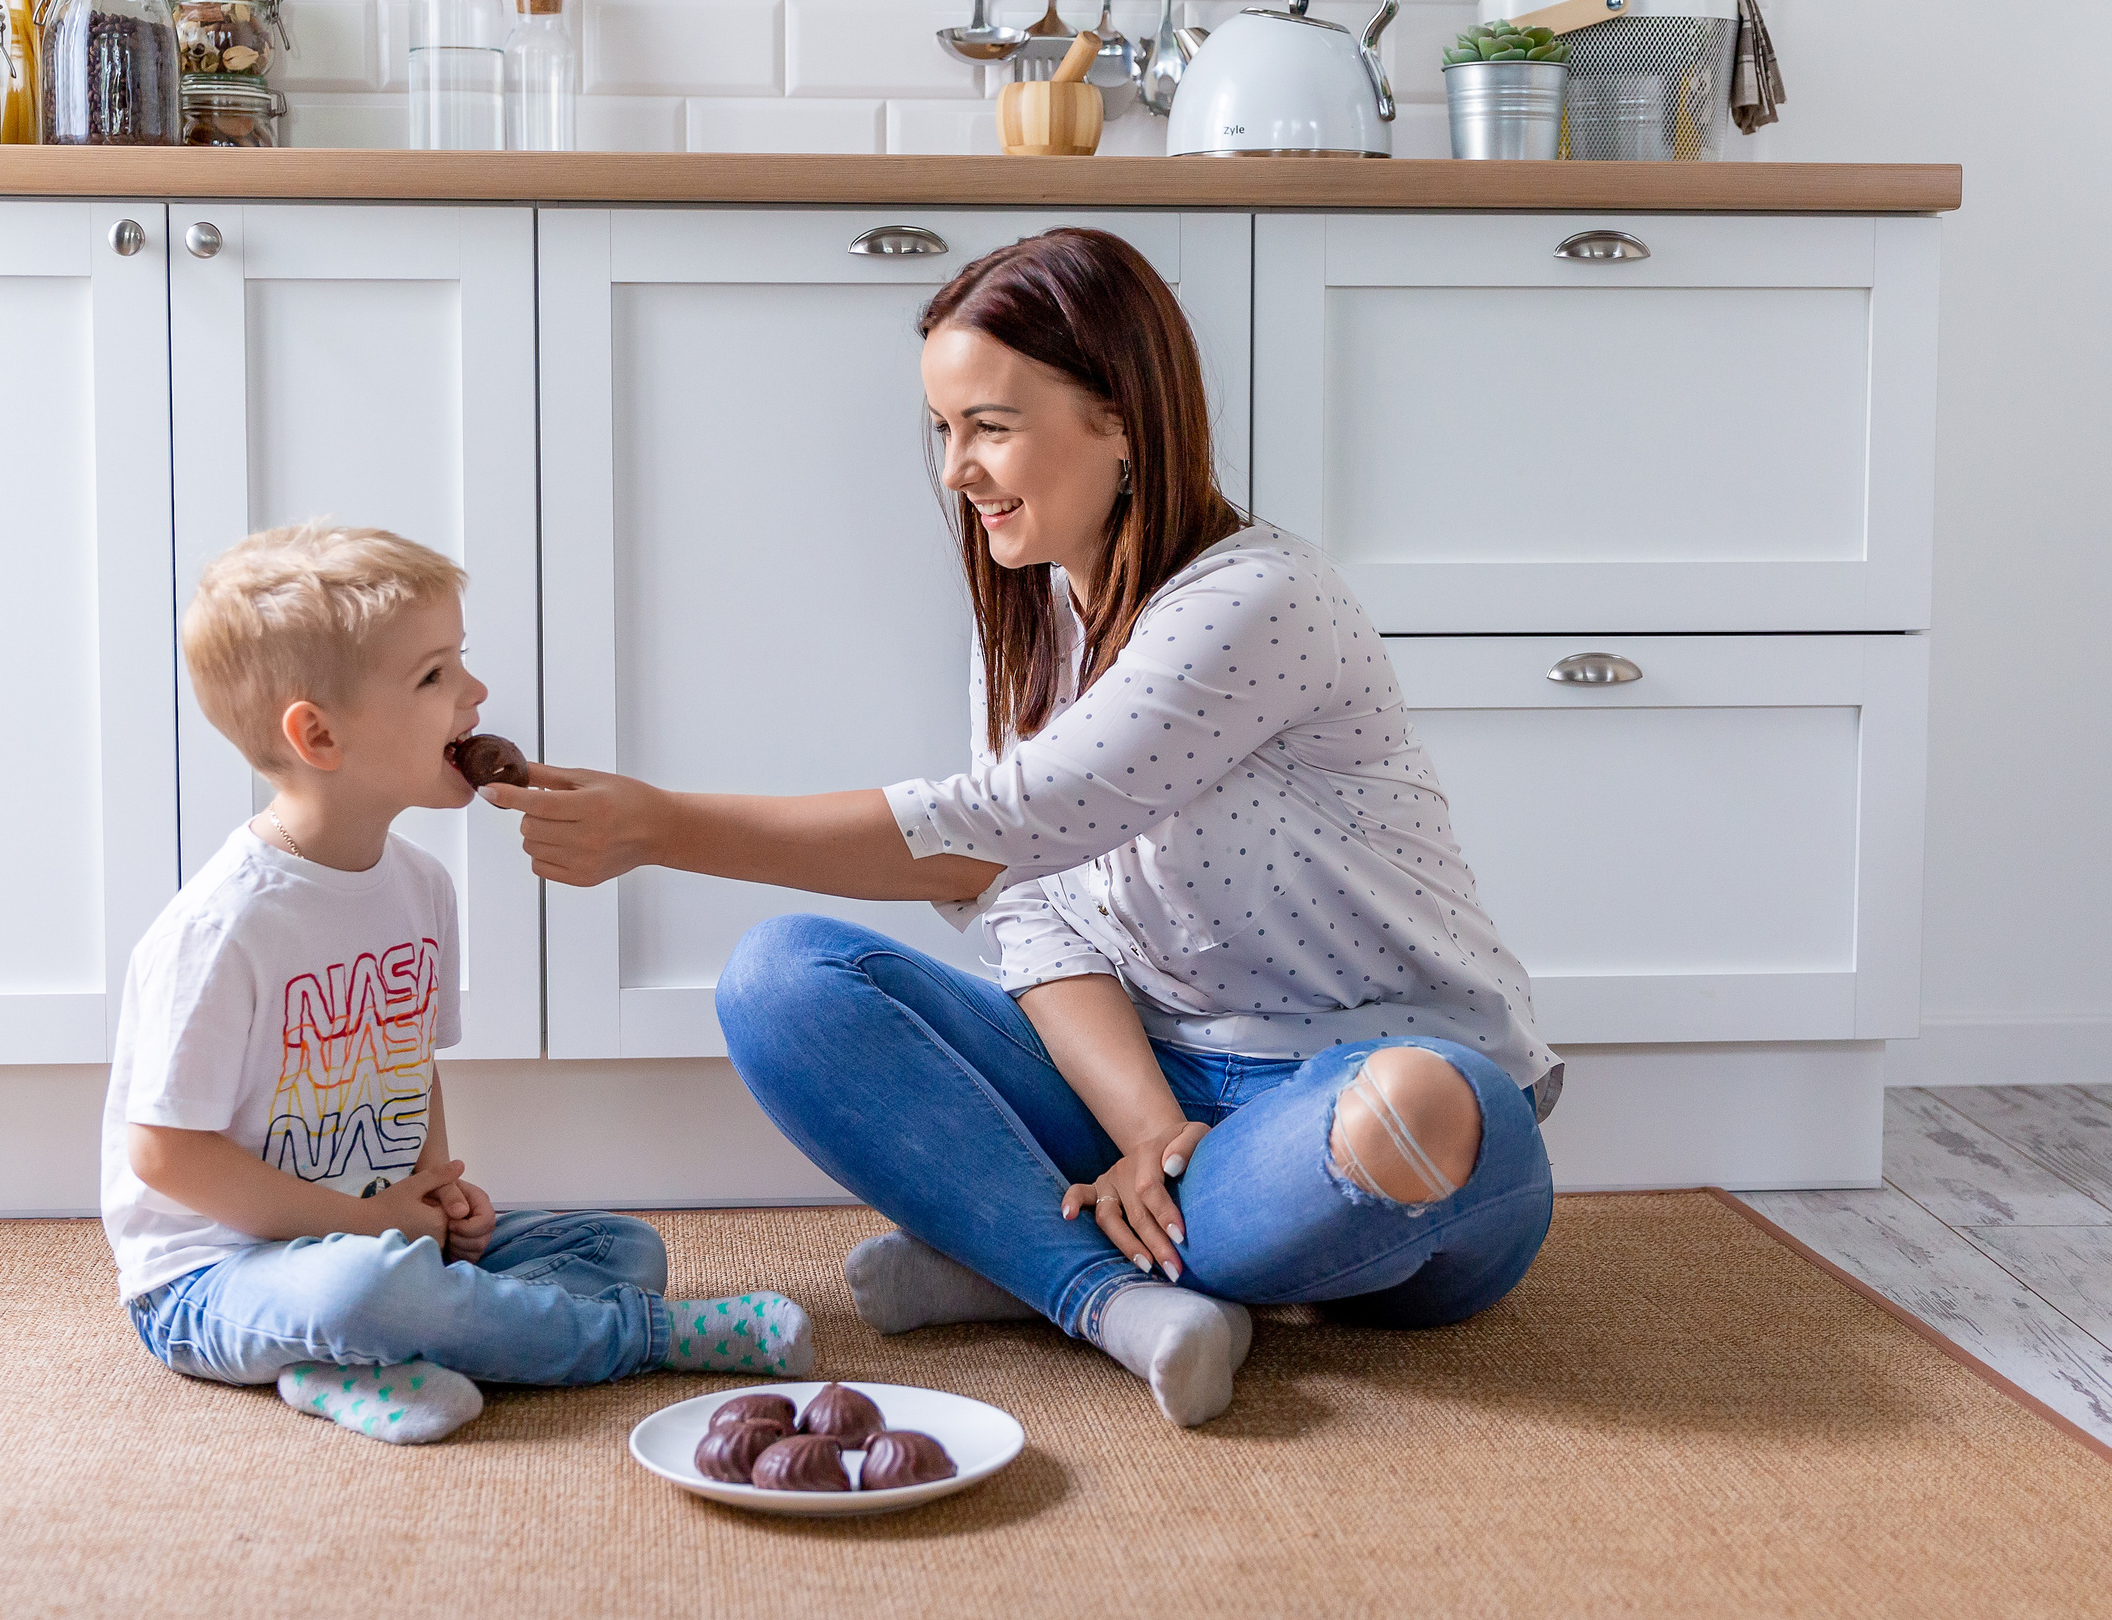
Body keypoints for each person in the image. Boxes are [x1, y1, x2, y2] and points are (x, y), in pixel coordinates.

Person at [485, 230, 1559, 1428]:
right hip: (1149, 1082)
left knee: (1420, 1106)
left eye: (988, 426)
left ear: (1123, 421)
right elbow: (1031, 900)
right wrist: (1149, 1127)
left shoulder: (1260, 600)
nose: (956, 470)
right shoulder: (1041, 617)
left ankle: (1010, 1250)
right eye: (943, 430)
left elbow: (1000, 829)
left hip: (1353, 1098)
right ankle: (1112, 1295)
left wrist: (660, 825)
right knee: (782, 979)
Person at [105, 523, 813, 1445]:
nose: (476, 694)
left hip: (376, 1231)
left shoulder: (419, 887)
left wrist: (431, 1197)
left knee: (623, 1249)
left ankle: (347, 1362)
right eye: (434, 676)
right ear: (318, 733)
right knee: (369, 1286)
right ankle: (642, 1341)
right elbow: (165, 1155)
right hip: (216, 1276)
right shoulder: (223, 928)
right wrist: (364, 1226)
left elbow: (408, 1063)